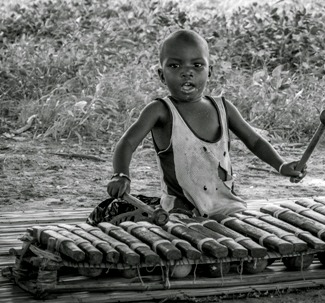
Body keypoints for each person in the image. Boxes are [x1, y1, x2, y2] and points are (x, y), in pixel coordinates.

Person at [88, 29, 305, 224]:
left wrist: (281, 165)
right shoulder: (160, 110)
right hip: (180, 211)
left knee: (251, 235)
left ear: (209, 71)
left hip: (226, 205)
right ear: (161, 75)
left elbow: (255, 140)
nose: (187, 72)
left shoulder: (223, 107)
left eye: (197, 65)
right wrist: (121, 174)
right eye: (175, 65)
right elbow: (127, 142)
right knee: (192, 246)